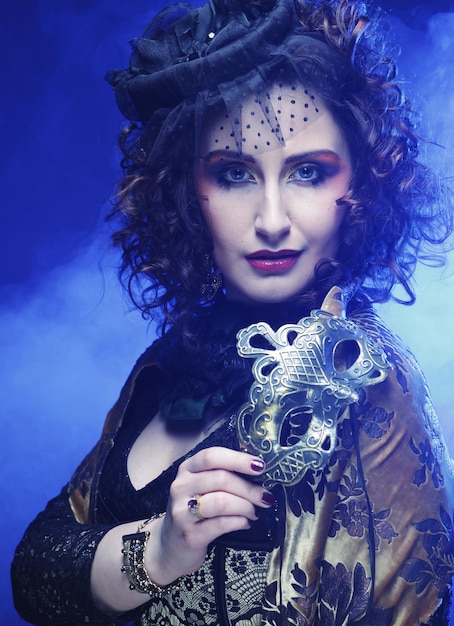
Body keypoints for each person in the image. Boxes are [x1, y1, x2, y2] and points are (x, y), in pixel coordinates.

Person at [11, 0, 454, 624]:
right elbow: (34, 571)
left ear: (360, 184)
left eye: (306, 172)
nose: (272, 221)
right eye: (235, 174)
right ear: (187, 193)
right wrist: (159, 550)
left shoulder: (364, 381)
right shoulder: (166, 363)